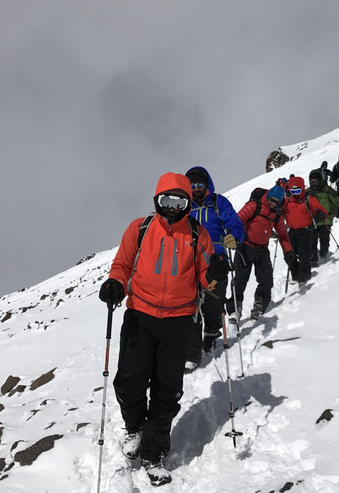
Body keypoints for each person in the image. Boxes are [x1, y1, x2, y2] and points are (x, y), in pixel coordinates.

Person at [98, 172, 229, 486]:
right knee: (128, 383)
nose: (172, 208)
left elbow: (205, 280)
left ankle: (154, 454)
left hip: (178, 321)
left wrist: (215, 273)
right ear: (157, 200)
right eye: (166, 201)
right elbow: (123, 264)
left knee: (166, 391)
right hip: (140, 316)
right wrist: (115, 284)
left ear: (186, 203)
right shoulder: (140, 228)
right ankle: (135, 428)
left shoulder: (196, 234)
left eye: (179, 201)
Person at [184, 166, 246, 370]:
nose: (196, 188)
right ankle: (191, 353)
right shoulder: (185, 206)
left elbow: (234, 222)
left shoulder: (218, 202)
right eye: (192, 184)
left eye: (199, 184)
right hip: (190, 261)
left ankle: (211, 334)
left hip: (215, 260)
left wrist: (235, 237)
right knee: (190, 304)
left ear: (206, 184)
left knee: (213, 303)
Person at [228, 185, 294, 320]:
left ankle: (259, 306)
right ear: (268, 196)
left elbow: (282, 234)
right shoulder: (255, 205)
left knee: (266, 280)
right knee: (240, 279)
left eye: (276, 201)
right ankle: (235, 308)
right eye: (272, 200)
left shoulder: (277, 214)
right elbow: (237, 220)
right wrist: (233, 235)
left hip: (262, 249)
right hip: (245, 247)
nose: (273, 203)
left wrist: (288, 251)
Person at [284, 177, 327, 283]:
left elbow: (322, 211)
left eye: (298, 191)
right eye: (293, 191)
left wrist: (321, 214)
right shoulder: (287, 201)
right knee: (289, 256)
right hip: (291, 231)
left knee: (304, 255)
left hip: (305, 231)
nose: (295, 194)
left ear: (302, 189)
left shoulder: (309, 199)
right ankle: (296, 275)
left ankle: (304, 277)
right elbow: (282, 213)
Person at [306, 169, 339, 266]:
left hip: (325, 218)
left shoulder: (327, 190)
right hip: (312, 220)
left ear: (320, 180)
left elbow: (337, 202)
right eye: (312, 181)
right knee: (312, 240)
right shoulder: (307, 192)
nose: (314, 183)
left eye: (316, 181)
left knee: (324, 238)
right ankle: (313, 259)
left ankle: (323, 255)